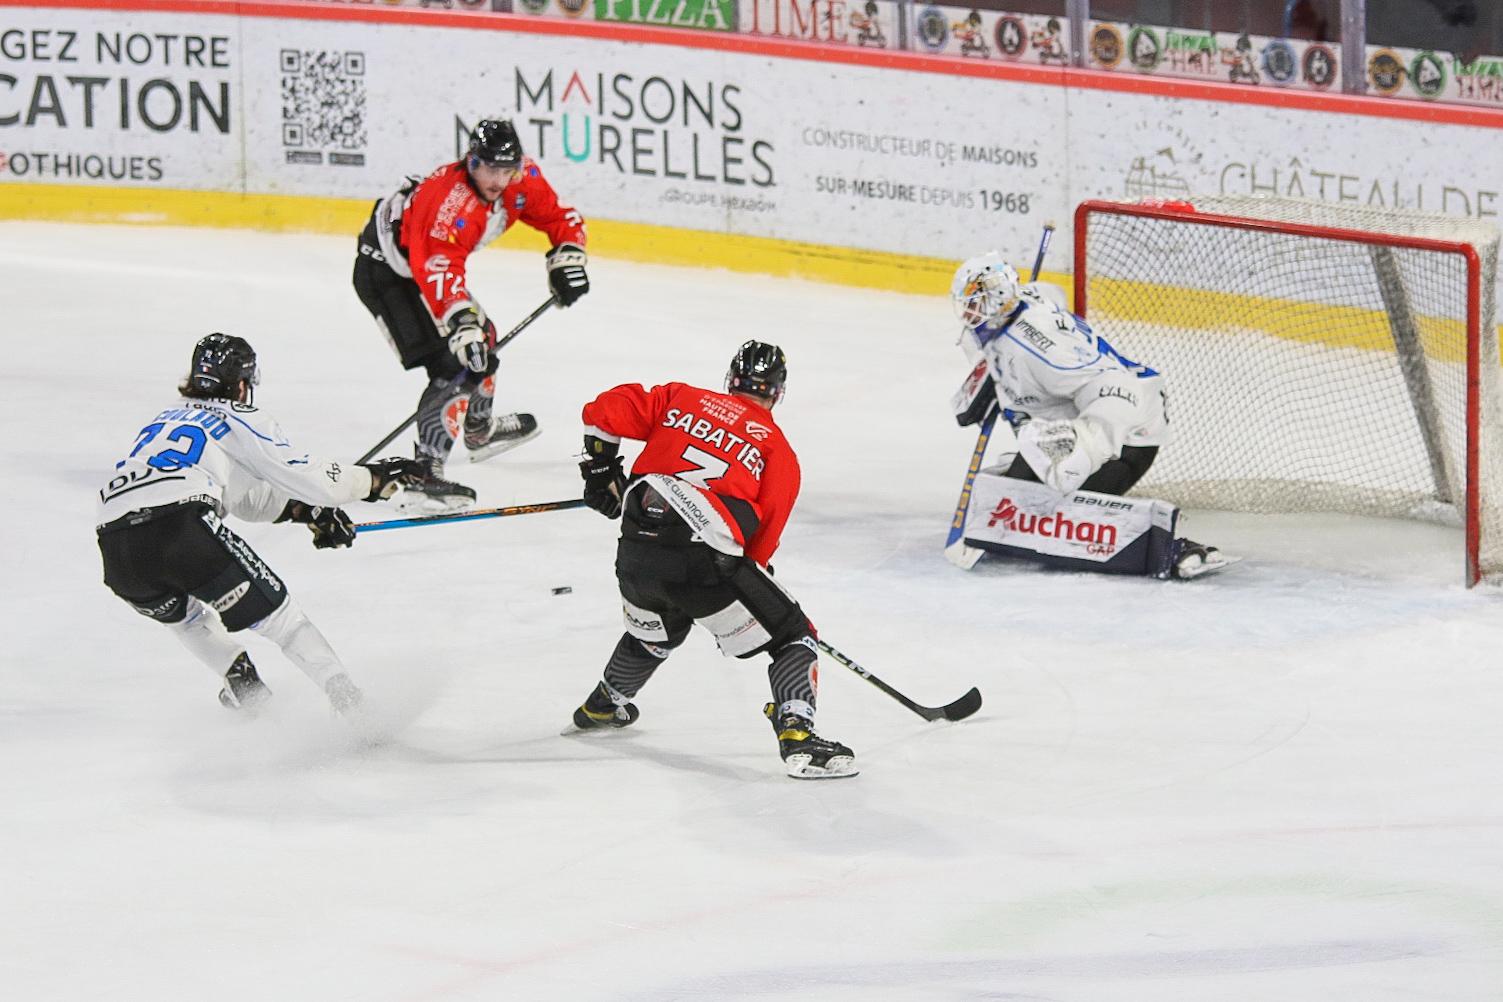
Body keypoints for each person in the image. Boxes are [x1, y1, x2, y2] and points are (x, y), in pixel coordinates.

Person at [568, 341, 857, 779]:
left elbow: (604, 409)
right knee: (793, 636)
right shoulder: (777, 450)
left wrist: (601, 472)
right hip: (706, 561)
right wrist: (747, 591)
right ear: (778, 392)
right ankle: (798, 735)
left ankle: (603, 704)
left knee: (656, 630)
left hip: (636, 552)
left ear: (731, 379)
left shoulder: (680, 399)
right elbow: (761, 542)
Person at [96, 333, 425, 714]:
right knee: (284, 621)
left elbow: (244, 497)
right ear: (240, 383)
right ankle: (351, 704)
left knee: (184, 619)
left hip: (116, 548)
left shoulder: (166, 417)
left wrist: (304, 511)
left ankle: (240, 679)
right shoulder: (237, 417)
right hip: (182, 527)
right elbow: (310, 477)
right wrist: (372, 480)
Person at [353, 117, 590, 511]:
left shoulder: (522, 179)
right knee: (455, 363)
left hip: (424, 269)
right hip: (390, 275)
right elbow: (437, 268)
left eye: (506, 169)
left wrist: (568, 255)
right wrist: (461, 325)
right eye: (487, 168)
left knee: (484, 339)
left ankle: (479, 431)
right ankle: (422, 474)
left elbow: (559, 216)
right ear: (471, 161)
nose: (497, 180)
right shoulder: (446, 202)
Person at [950, 251, 1230, 578]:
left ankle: (1164, 546)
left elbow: (1120, 389)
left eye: (975, 302)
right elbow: (1050, 292)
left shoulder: (1036, 348)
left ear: (997, 300)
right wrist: (997, 378)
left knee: (1023, 506)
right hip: (1096, 421)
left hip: (1127, 439)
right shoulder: (1022, 305)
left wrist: (1085, 445)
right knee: (1007, 498)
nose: (968, 313)